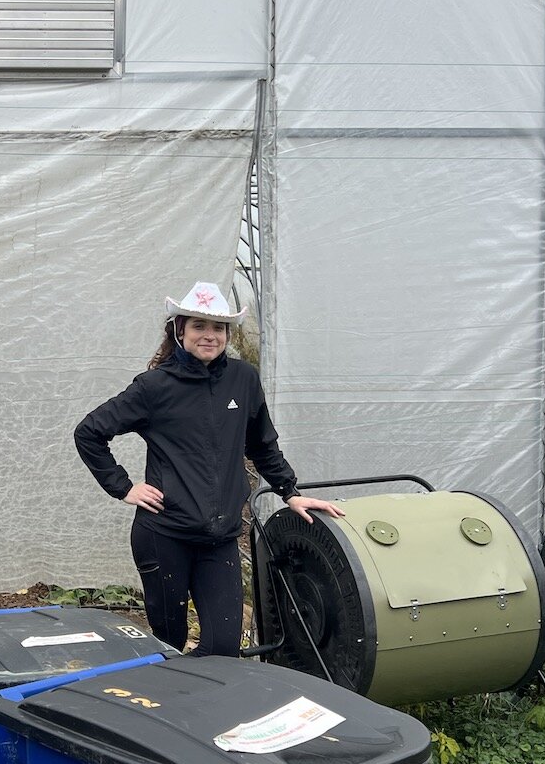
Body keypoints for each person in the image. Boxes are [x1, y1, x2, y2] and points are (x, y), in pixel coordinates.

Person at [74, 281, 344, 656]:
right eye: (199, 326)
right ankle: (167, 706)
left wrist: (290, 493)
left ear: (227, 334)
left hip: (219, 540)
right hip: (164, 536)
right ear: (179, 330)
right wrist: (124, 487)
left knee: (222, 648)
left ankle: (202, 703)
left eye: (218, 327)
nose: (209, 335)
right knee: (168, 644)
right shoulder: (154, 387)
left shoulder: (243, 379)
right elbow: (89, 433)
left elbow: (262, 444)